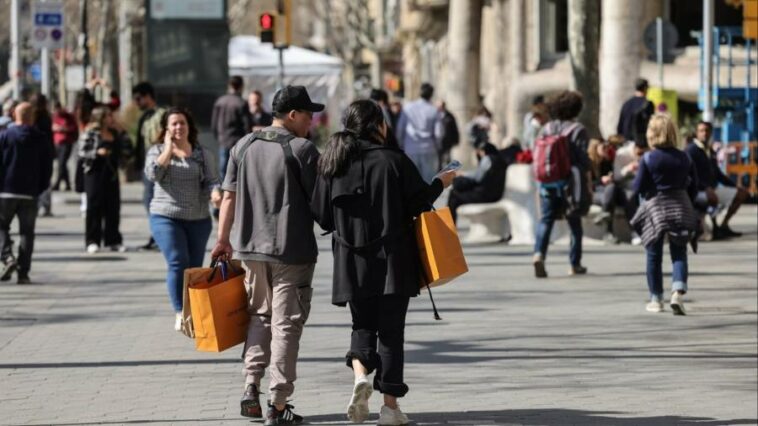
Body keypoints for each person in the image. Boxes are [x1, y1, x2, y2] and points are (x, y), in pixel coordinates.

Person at [310, 99, 455, 425]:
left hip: (350, 259)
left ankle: (361, 377)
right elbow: (419, 203)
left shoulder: (332, 163)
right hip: (393, 260)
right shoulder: (393, 160)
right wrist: (440, 183)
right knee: (391, 333)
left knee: (361, 325)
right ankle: (390, 407)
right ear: (378, 125)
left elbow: (321, 216)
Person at [211, 85, 322, 425]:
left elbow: (227, 196)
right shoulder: (303, 149)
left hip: (250, 249)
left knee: (260, 315)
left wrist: (222, 240)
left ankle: (250, 386)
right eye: (307, 115)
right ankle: (277, 402)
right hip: (292, 251)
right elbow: (320, 202)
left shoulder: (242, 145)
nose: (311, 122)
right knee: (286, 324)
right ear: (292, 115)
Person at [145, 108, 221, 330]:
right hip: (165, 216)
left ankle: (192, 311)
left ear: (189, 127)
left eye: (182, 123)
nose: (179, 127)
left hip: (198, 218)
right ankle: (179, 311)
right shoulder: (156, 151)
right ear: (166, 129)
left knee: (195, 268)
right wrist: (168, 149)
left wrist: (216, 193)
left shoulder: (202, 153)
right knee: (178, 261)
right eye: (174, 124)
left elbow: (212, 180)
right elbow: (153, 174)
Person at [630, 114, 699, 315]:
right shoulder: (685, 156)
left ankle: (656, 299)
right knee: (679, 253)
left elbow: (638, 187)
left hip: (656, 208)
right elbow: (694, 186)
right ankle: (677, 292)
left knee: (654, 255)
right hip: (680, 206)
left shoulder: (649, 158)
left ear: (652, 134)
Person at [532, 90, 590, 278]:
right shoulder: (578, 130)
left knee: (546, 220)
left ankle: (539, 253)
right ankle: (575, 263)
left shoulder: (546, 129)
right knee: (574, 223)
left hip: (547, 183)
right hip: (570, 184)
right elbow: (582, 159)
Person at [0, 102, 54, 284]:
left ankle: (7, 257)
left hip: (5, 191)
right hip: (30, 193)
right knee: (27, 233)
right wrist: (40, 188)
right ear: (33, 117)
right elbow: (47, 168)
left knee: (1, 226)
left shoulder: (5, 136)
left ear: (15, 115)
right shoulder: (41, 138)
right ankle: (23, 273)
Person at [78, 106, 132, 254]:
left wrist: (122, 131)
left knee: (113, 207)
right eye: (108, 116)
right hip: (94, 174)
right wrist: (96, 152)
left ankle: (113, 240)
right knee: (94, 207)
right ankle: (92, 240)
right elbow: (82, 152)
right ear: (100, 118)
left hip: (112, 175)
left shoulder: (115, 133)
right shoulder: (90, 133)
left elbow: (128, 150)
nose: (111, 118)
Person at [685, 121, 748, 239]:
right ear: (696, 133)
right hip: (697, 191)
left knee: (742, 194)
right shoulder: (691, 150)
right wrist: (704, 188)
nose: (705, 133)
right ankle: (714, 228)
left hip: (712, 188)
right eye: (701, 130)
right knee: (712, 197)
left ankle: (723, 226)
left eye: (707, 130)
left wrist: (734, 186)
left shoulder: (710, 150)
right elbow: (689, 175)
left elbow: (718, 173)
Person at [132, 82, 166, 251]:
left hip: (158, 166)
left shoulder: (161, 115)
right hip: (147, 166)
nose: (136, 103)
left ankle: (159, 237)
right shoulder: (145, 116)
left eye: (138, 99)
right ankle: (156, 236)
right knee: (149, 202)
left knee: (152, 202)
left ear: (148, 97)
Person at [447, 137, 506, 223]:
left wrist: (463, 174)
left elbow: (478, 177)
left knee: (454, 196)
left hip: (485, 195)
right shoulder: (500, 160)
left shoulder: (488, 159)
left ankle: (450, 226)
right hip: (495, 194)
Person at [395, 82, 443, 183]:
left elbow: (400, 129)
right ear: (431, 94)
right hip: (429, 149)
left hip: (410, 148)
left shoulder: (408, 108)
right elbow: (439, 133)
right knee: (429, 182)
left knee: (411, 182)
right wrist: (437, 146)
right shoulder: (434, 110)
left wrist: (400, 145)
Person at [212, 76, 252, 183]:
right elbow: (247, 125)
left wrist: (218, 137)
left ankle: (223, 193)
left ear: (229, 85)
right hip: (238, 141)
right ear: (241, 86)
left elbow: (214, 124)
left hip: (223, 139)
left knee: (223, 169)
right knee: (238, 170)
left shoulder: (220, 101)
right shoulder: (241, 102)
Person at [613, 138, 650, 245]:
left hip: (642, 185)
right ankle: (634, 232)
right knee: (630, 199)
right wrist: (628, 169)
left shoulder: (649, 154)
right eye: (639, 153)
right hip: (626, 186)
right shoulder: (622, 154)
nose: (641, 156)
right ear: (635, 148)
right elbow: (617, 176)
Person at [587, 138, 618, 243]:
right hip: (592, 193)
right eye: (603, 147)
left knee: (611, 189)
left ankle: (604, 213)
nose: (606, 150)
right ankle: (608, 233)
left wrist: (610, 178)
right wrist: (601, 180)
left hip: (606, 192)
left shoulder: (606, 162)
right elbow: (588, 183)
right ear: (595, 148)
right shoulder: (588, 163)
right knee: (609, 198)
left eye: (607, 147)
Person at [31, 94, 55, 217]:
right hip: (45, 152)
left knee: (37, 179)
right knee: (45, 179)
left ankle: (39, 205)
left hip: (36, 153)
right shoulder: (45, 117)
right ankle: (44, 205)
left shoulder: (33, 117)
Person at [616, 78, 654, 144]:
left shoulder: (626, 104)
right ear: (645, 88)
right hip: (641, 144)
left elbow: (620, 125)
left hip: (626, 142)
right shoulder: (648, 104)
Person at [52, 101, 79, 191]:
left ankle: (57, 183)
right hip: (57, 142)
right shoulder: (55, 117)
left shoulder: (68, 116)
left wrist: (63, 129)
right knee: (61, 163)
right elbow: (51, 126)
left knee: (62, 163)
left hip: (67, 142)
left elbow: (73, 128)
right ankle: (67, 184)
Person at [436, 100, 459, 166]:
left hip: (447, 141)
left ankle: (447, 174)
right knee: (438, 160)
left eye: (441, 106)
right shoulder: (434, 115)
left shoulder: (449, 116)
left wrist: (456, 140)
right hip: (437, 141)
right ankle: (439, 173)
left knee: (447, 158)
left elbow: (454, 128)